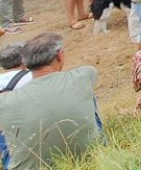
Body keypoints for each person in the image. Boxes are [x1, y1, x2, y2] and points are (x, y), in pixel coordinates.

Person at [0, 33, 102, 169]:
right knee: (88, 98)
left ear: (25, 63)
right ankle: (94, 145)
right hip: (91, 158)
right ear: (60, 55)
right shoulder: (84, 75)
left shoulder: (5, 101)